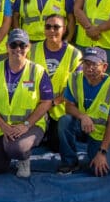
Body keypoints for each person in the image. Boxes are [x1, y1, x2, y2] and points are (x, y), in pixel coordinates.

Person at [0, 29, 53, 178]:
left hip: (27, 125)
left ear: (29, 47)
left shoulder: (38, 72)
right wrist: (3, 126)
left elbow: (46, 102)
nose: (18, 49)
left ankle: (23, 158)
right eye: (13, 45)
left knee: (17, 148)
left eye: (22, 45)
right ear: (7, 47)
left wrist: (26, 125)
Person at [57, 46, 110, 176]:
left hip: (100, 133)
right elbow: (68, 107)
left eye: (94, 64)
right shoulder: (75, 79)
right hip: (81, 125)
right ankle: (70, 162)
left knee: (99, 171)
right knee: (64, 121)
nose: (89, 68)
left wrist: (102, 152)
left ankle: (101, 150)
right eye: (86, 63)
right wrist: (83, 117)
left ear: (104, 67)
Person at [29, 13, 82, 152]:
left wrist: (53, 102)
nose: (51, 30)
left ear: (64, 29)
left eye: (56, 27)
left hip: (60, 108)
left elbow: (76, 87)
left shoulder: (75, 54)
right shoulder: (32, 50)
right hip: (36, 106)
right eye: (48, 27)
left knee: (56, 146)